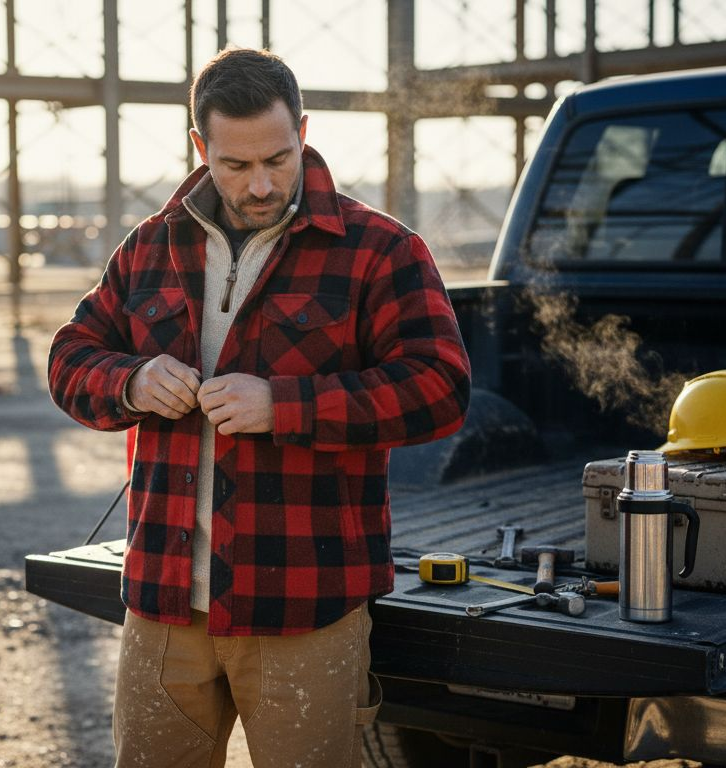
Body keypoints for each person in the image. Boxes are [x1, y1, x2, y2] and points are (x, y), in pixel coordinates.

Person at [47, 47, 471, 768]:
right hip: (164, 607)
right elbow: (69, 359)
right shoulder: (150, 247)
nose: (262, 184)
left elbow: (440, 388)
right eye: (237, 166)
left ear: (302, 131)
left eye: (279, 158)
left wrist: (286, 406)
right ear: (199, 147)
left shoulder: (378, 250)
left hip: (304, 609)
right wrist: (132, 380)